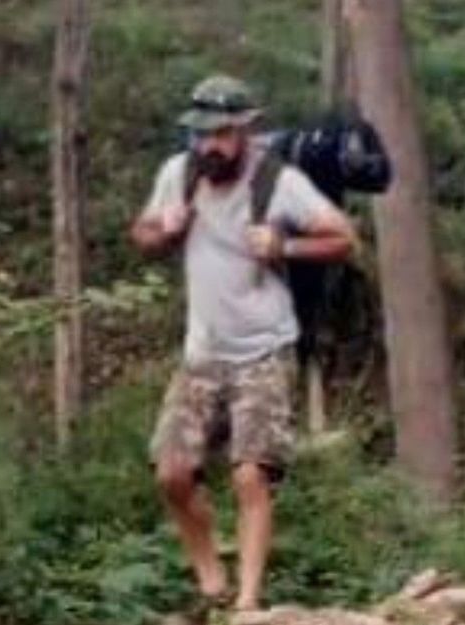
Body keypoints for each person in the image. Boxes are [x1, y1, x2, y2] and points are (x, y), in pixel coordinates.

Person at [130, 74, 358, 617]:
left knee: (251, 474)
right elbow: (141, 234)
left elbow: (344, 238)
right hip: (202, 352)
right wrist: (165, 230)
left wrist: (286, 245)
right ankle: (212, 579)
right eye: (201, 134)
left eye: (221, 134)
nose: (209, 145)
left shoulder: (280, 182)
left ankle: (249, 604)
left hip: (264, 349)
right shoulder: (179, 174)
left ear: (245, 130)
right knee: (172, 472)